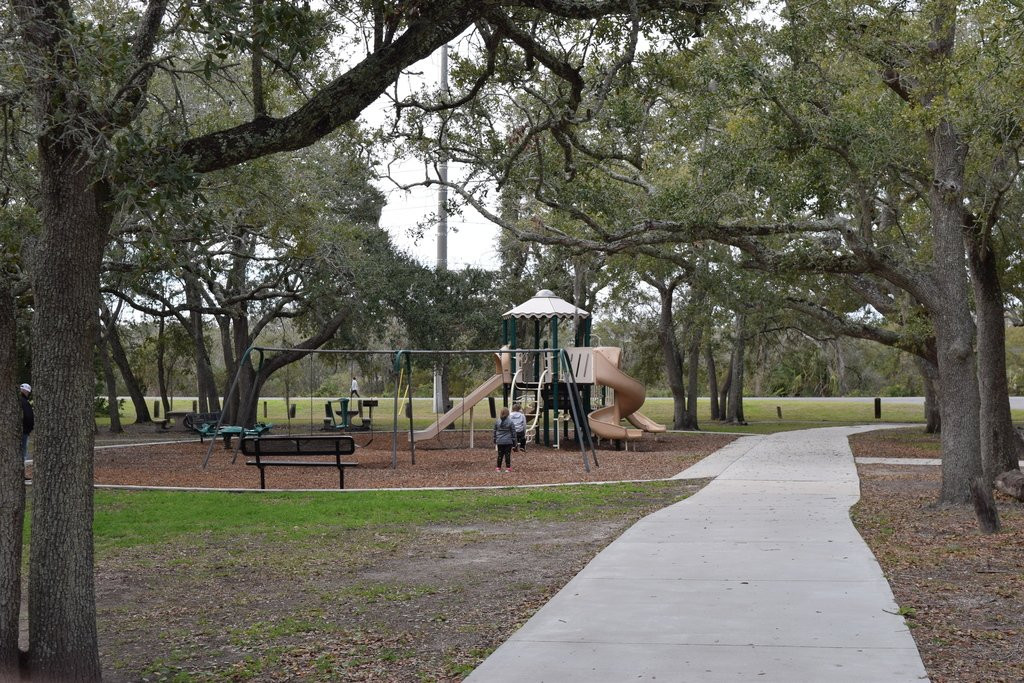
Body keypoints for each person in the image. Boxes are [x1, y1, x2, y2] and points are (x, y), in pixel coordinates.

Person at [493, 407, 516, 473]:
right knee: (507, 454)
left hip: (499, 440)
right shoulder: (510, 422)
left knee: (500, 454)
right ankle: (508, 467)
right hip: (508, 441)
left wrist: (495, 439)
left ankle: (498, 467)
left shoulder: (497, 421)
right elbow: (513, 432)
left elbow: (495, 431)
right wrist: (514, 441)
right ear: (508, 413)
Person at [19, 383, 33, 461]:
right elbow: (28, 416)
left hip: (22, 429)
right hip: (24, 430)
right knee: (23, 449)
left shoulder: (19, 401)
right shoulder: (24, 402)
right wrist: (29, 428)